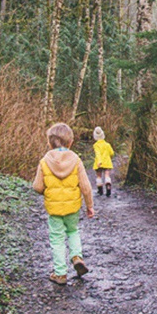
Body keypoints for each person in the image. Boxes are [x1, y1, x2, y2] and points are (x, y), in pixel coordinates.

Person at [33, 122, 95, 285]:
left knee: (57, 238)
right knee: (73, 231)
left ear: (49, 142)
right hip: (72, 207)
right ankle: (76, 257)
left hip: (54, 209)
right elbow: (86, 187)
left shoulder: (44, 162)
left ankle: (60, 273)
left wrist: (47, 191)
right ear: (70, 142)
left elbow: (38, 186)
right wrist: (89, 206)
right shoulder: (76, 160)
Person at [92, 126, 115, 197]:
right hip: (107, 162)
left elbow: (97, 153)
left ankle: (100, 190)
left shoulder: (96, 145)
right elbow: (112, 153)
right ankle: (108, 185)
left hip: (99, 163)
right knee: (107, 175)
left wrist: (99, 161)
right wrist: (110, 157)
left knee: (99, 176)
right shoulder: (107, 145)